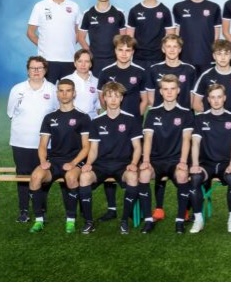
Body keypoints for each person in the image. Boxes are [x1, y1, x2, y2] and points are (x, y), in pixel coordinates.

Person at [27, 79, 91, 233]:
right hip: (54, 161)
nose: (64, 94)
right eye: (61, 90)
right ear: (57, 94)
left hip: (74, 161)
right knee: (35, 177)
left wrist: (73, 163)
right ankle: (39, 220)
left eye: (68, 90)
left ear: (74, 93)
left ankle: (70, 220)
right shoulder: (49, 117)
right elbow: (42, 145)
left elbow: (86, 147)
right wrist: (43, 161)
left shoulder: (83, 117)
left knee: (71, 178)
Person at [78, 82, 143, 234]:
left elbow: (137, 147)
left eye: (117, 96)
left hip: (123, 164)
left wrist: (134, 163)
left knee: (133, 177)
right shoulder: (96, 121)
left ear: (121, 98)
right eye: (109, 96)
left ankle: (124, 221)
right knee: (84, 177)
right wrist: (88, 163)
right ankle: (89, 222)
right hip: (101, 164)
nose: (113, 99)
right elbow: (93, 149)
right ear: (104, 98)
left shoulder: (131, 120)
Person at [96, 34, 147, 221]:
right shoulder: (106, 71)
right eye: (120, 50)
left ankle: (136, 207)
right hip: (111, 129)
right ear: (115, 51)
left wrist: (135, 121)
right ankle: (111, 208)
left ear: (132, 52)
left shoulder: (140, 72)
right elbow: (102, 99)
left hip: (132, 129)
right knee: (108, 163)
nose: (124, 54)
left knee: (133, 167)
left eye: (128, 50)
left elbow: (145, 100)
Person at [138, 74, 195, 234]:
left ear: (178, 90)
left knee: (182, 175)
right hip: (156, 160)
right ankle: (148, 220)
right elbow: (148, 139)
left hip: (176, 160)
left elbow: (186, 139)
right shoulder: (152, 113)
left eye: (172, 89)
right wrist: (146, 160)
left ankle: (180, 220)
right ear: (161, 92)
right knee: (144, 174)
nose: (169, 92)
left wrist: (183, 161)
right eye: (165, 89)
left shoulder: (186, 113)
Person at [7, 56, 58, 223]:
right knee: (22, 176)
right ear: (28, 70)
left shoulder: (53, 90)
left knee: (42, 176)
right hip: (21, 141)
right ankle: (23, 210)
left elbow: (57, 116)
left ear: (45, 70)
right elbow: (10, 113)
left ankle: (40, 210)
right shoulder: (17, 89)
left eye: (40, 68)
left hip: (45, 144)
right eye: (33, 68)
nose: (36, 71)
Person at [190, 84, 231, 233]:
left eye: (219, 97)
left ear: (224, 98)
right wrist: (195, 164)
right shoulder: (200, 118)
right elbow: (195, 143)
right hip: (207, 164)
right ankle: (198, 220)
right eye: (213, 97)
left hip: (226, 163)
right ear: (208, 99)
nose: (216, 100)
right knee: (195, 178)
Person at [27, 0, 81, 83]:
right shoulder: (40, 6)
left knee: (68, 91)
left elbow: (79, 31)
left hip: (69, 59)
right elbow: (30, 32)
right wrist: (44, 45)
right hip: (47, 60)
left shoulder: (74, 6)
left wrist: (68, 43)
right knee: (47, 92)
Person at [172, 0, 222, 77]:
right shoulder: (179, 7)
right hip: (185, 59)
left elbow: (217, 37)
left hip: (207, 59)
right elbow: (176, 35)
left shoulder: (214, 7)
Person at [77, 0, 126, 77]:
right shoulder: (87, 14)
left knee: (114, 86)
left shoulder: (119, 13)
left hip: (114, 59)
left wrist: (120, 55)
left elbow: (123, 38)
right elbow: (81, 37)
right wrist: (89, 54)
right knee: (96, 86)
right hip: (95, 61)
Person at [126, 0, 175, 69]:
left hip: (159, 58)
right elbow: (129, 38)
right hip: (138, 59)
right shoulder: (134, 11)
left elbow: (171, 37)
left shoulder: (165, 10)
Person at [192, 39, 231, 115]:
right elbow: (196, 104)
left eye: (226, 54)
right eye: (219, 54)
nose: (223, 58)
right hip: (211, 121)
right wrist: (209, 116)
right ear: (214, 56)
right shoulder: (206, 76)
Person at [146, 34, 196, 110]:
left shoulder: (189, 69)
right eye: (168, 46)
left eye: (175, 46)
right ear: (163, 49)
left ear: (180, 49)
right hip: (160, 114)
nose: (172, 50)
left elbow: (192, 99)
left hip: (183, 114)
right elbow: (150, 98)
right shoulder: (154, 69)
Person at [63, 49, 100, 119]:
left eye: (86, 61)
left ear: (91, 64)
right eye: (80, 61)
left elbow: (98, 107)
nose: (83, 64)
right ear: (75, 63)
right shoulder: (65, 80)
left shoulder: (97, 82)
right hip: (70, 120)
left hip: (91, 120)